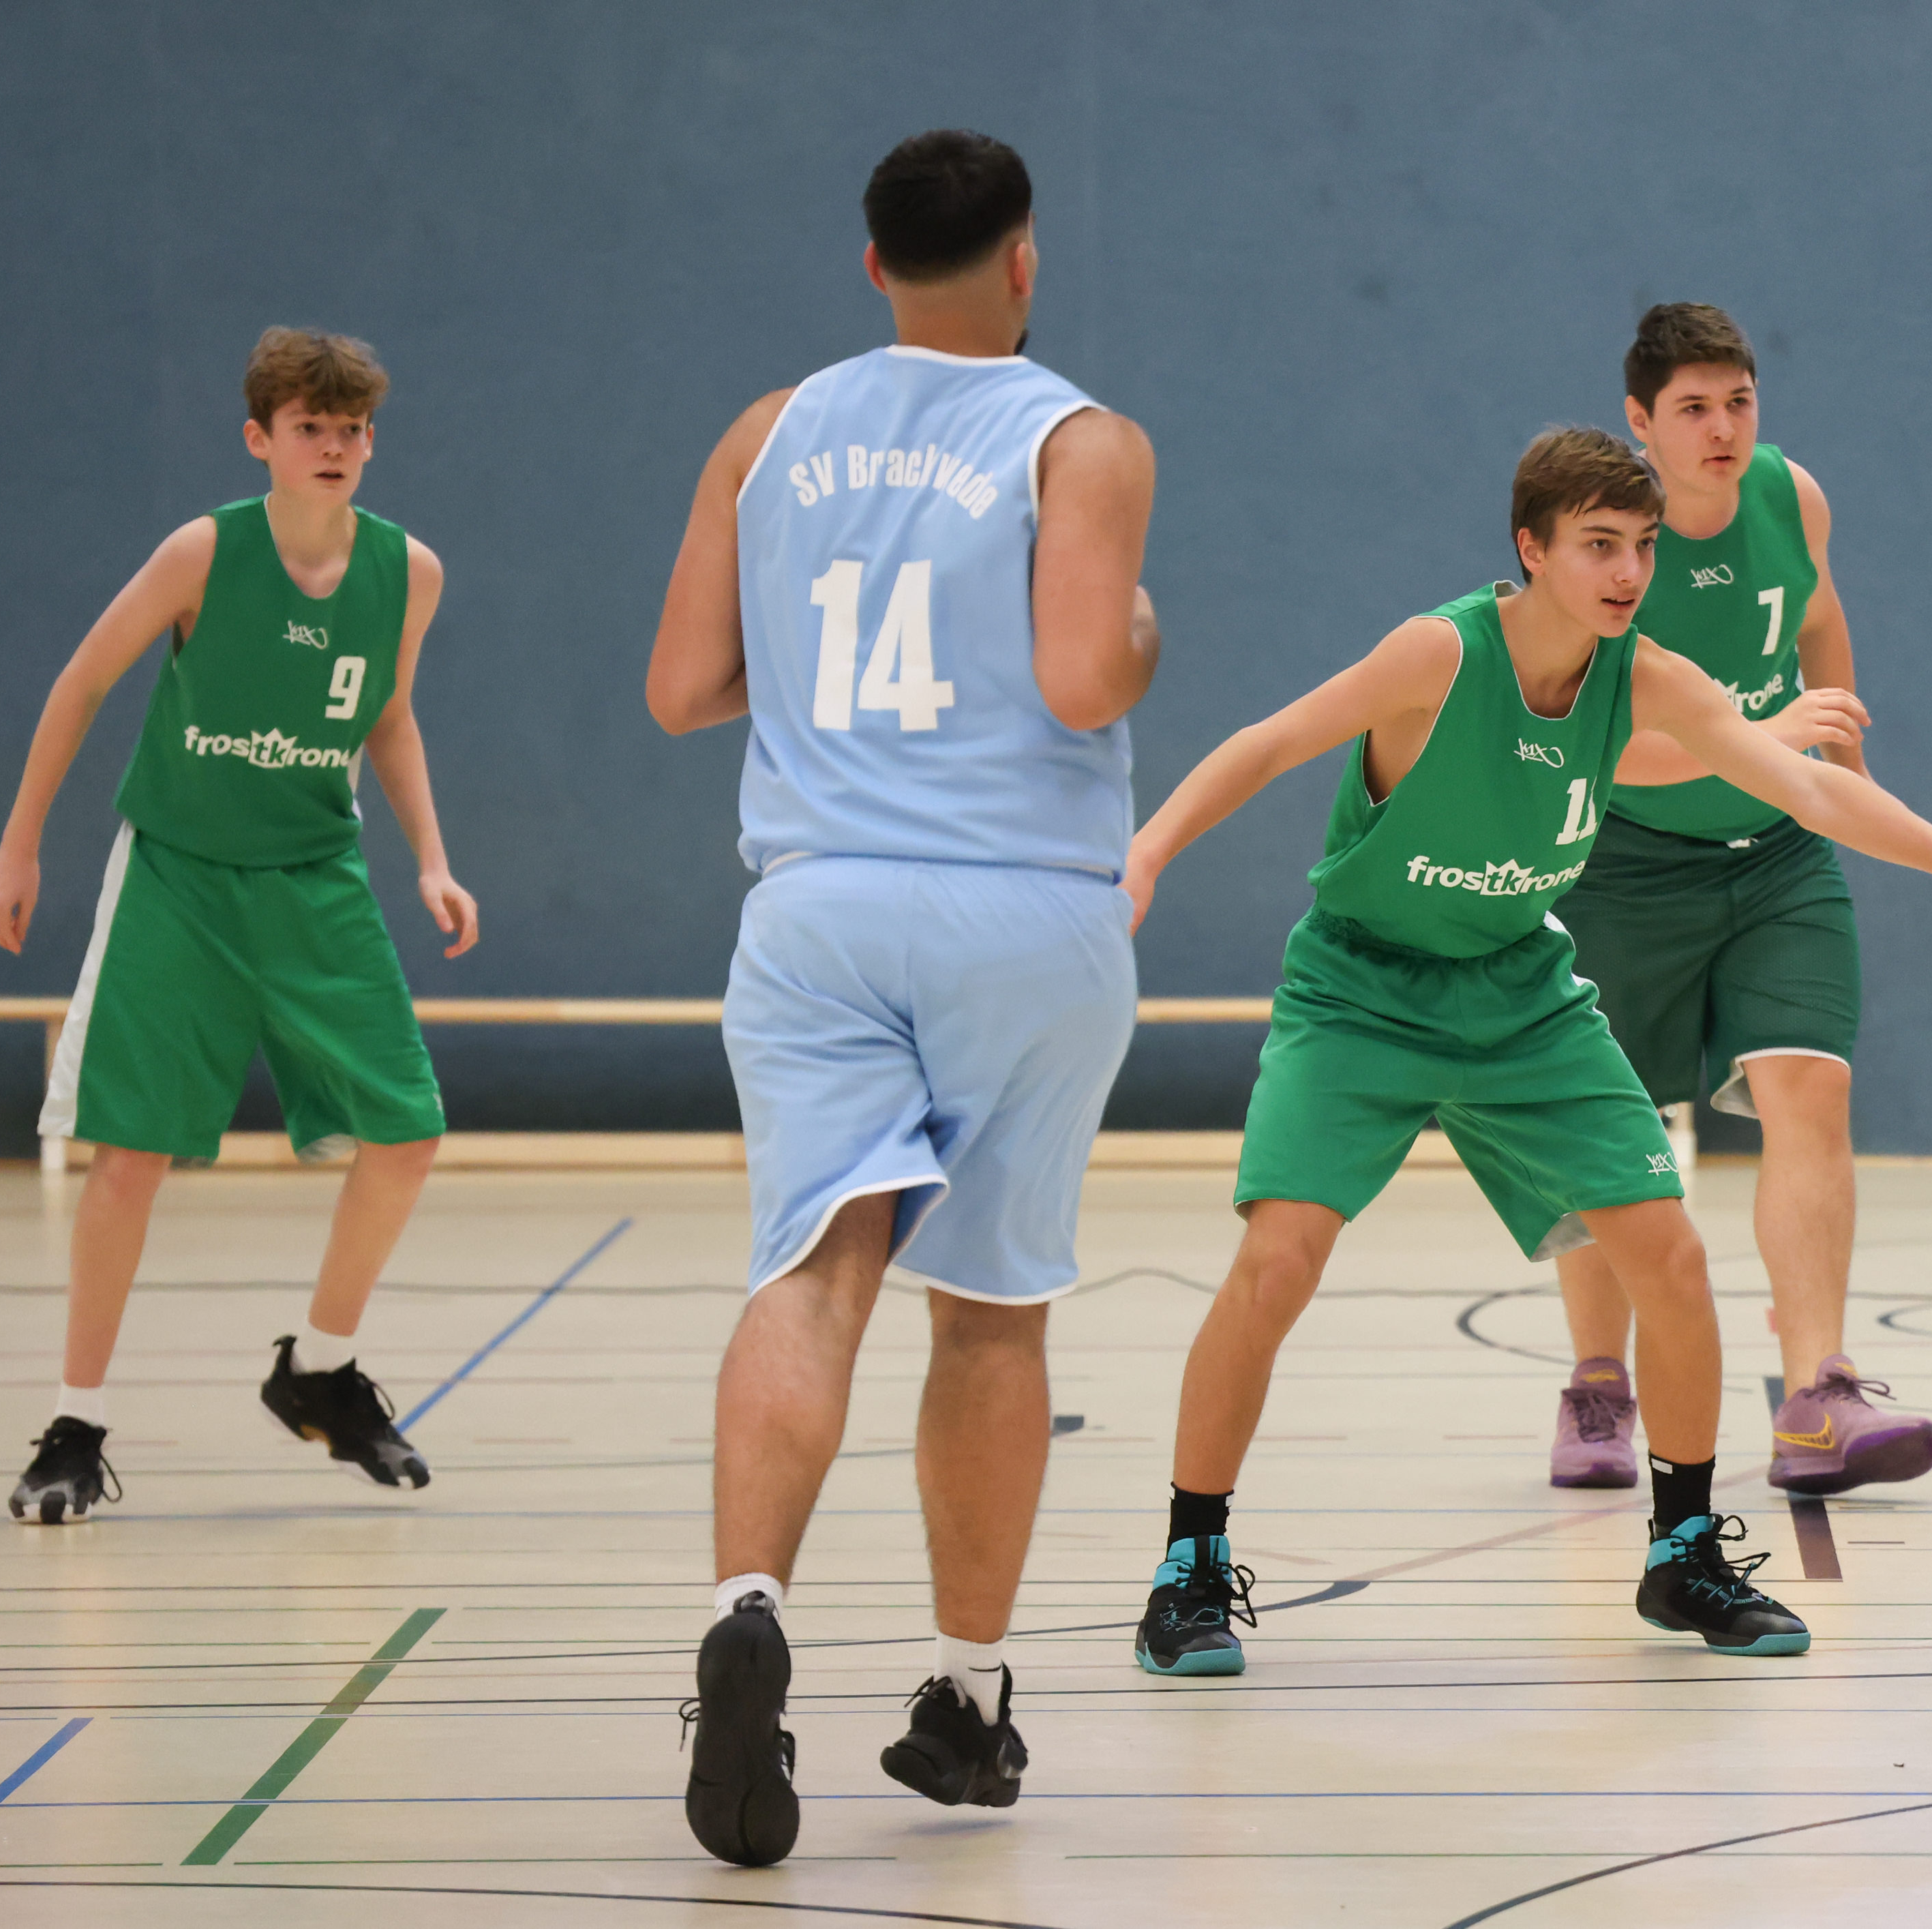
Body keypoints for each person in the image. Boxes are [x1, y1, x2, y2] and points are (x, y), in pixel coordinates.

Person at [1121, 427, 1932, 1675]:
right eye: (1599, 546)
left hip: (1518, 990)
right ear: (1532, 548)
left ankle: (1682, 1553)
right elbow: (1266, 742)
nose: (1627, 573)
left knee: (1669, 1253)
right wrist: (1144, 854)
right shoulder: (1439, 653)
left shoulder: (1646, 676)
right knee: (1278, 1258)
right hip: (1363, 988)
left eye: (1642, 547)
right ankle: (1188, 1564)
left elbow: (1810, 789)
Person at [646, 129, 1159, 1866]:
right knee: (990, 1315)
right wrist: (1144, 634)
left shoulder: (767, 431)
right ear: (1025, 257)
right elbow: (1083, 677)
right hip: (1024, 909)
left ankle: (746, 1606)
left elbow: (682, 687)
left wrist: (825, 681)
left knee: (812, 1271)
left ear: (872, 263)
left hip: (819, 906)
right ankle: (964, 1693)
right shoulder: (1079, 438)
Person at [0, 327, 476, 1525]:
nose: (334, 447)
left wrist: (432, 857)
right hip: (181, 877)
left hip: (315, 876)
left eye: (351, 429)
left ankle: (319, 1370)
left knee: (407, 1131)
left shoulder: (408, 571)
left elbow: (388, 716)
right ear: (261, 438)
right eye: (310, 427)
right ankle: (74, 1424)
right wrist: (18, 841)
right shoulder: (203, 551)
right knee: (129, 1155)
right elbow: (82, 682)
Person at [1545, 304, 1932, 1497]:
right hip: (1622, 862)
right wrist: (1766, 736)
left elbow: (1816, 614)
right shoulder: (1616, 545)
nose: (1721, 430)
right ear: (1639, 421)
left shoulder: (1790, 497)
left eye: (1738, 402)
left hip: (1775, 854)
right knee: (1611, 1126)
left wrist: (1843, 773)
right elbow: (1606, 748)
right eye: (1692, 409)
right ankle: (1596, 1382)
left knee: (1809, 1088)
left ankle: (1818, 1392)